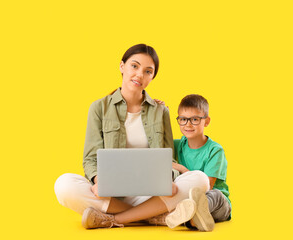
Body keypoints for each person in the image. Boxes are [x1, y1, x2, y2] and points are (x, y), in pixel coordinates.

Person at [54, 44, 210, 229]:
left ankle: (116, 219)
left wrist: (170, 178)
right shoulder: (99, 108)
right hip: (112, 194)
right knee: (63, 185)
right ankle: (152, 216)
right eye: (134, 66)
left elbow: (169, 158)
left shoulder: (161, 111)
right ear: (122, 66)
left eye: (147, 71)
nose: (139, 75)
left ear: (152, 77)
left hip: (151, 192)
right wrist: (98, 180)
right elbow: (90, 158)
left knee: (201, 179)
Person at [163, 94, 231, 231]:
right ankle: (192, 220)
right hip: (182, 200)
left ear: (206, 121)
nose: (188, 124)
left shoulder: (215, 150)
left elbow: (206, 187)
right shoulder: (177, 145)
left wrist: (182, 168)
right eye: (183, 119)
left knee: (215, 196)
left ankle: (192, 214)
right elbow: (159, 139)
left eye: (194, 119)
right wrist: (161, 112)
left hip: (216, 204)